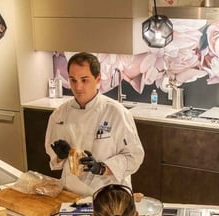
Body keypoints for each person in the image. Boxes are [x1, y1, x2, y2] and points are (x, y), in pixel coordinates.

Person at [44, 52, 144, 197]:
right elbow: (54, 158)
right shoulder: (59, 115)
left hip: (109, 194)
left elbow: (134, 157)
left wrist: (101, 168)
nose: (78, 87)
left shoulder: (117, 113)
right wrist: (60, 156)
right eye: (73, 80)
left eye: (84, 80)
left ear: (98, 79)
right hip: (72, 193)